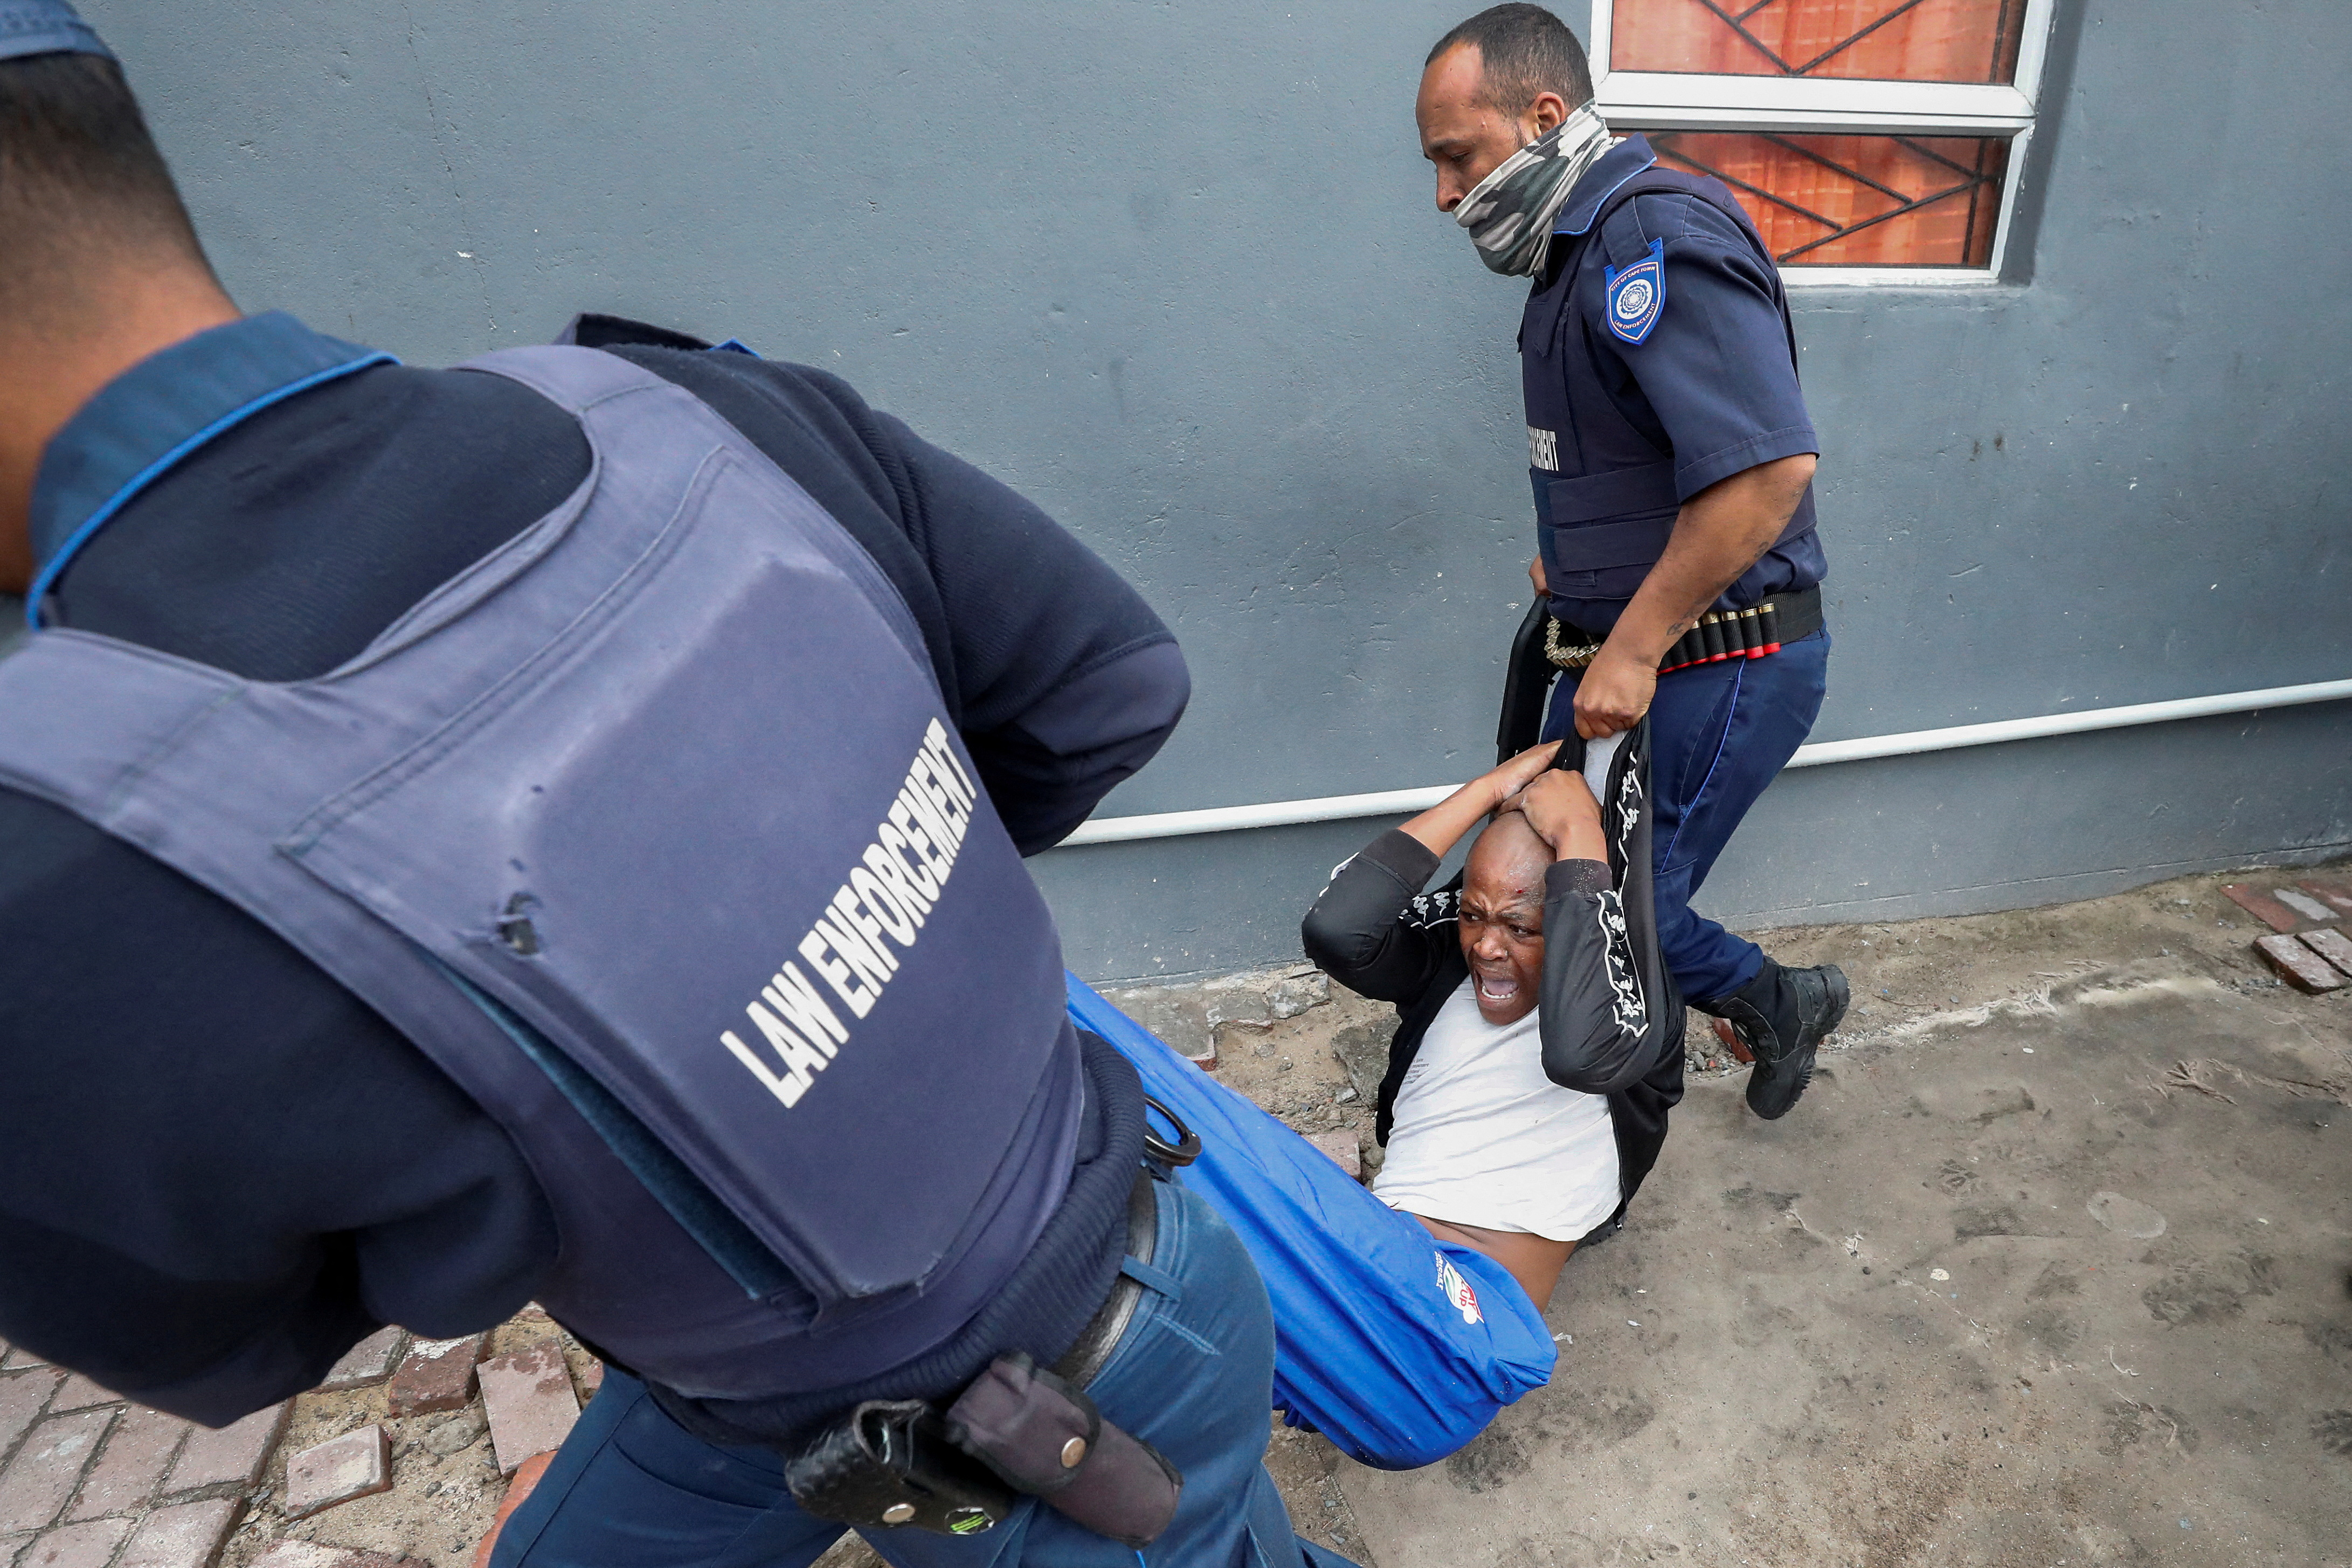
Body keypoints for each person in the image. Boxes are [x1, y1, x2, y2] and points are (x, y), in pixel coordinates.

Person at [0, 9, 1355, 1565]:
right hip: (1006, 1303)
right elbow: (1106, 687)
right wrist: (864, 910)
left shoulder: (60, 865)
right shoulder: (689, 411)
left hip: (1055, 1433)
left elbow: (223, 1334)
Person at [1415, 4, 1850, 1118]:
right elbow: (1647, 458)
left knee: (1612, 913)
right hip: (1632, 653)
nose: (1445, 195)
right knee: (1565, 891)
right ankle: (1750, 1016)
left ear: (1544, 116)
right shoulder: (1576, 254)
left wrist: (1638, 635)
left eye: (1457, 157)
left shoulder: (1649, 240)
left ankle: (1701, 1066)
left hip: (1716, 657)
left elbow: (1764, 475)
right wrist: (1589, 570)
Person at [1064, 729, 1684, 1473]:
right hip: (1350, 1280)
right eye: (1474, 913)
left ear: (1583, 918)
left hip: (1444, 1344)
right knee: (1126, 1254)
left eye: (1520, 926)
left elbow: (1581, 1047)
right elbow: (1337, 928)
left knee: (1182, 1131)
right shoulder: (1445, 972)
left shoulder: (1632, 1021)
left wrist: (1583, 830)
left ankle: (1019, 1002)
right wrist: (1489, 793)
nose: (1487, 946)